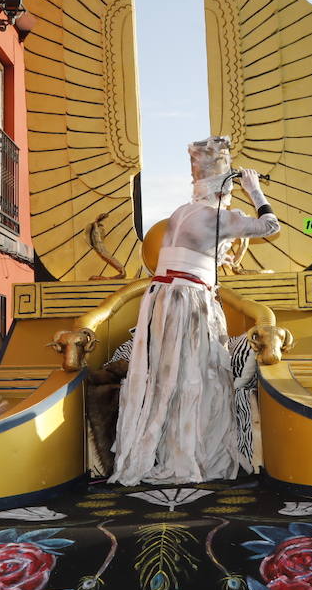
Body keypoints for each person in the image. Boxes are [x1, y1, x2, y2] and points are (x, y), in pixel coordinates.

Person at [109, 137, 279, 486]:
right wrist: (255, 189)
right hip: (187, 303)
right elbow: (271, 228)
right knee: (196, 378)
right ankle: (191, 455)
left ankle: (171, 452)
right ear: (225, 188)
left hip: (162, 299)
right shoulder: (219, 217)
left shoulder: (180, 212)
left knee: (168, 378)